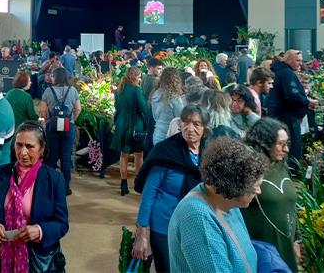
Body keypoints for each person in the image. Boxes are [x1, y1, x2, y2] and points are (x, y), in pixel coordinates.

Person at [0, 121, 69, 273]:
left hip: (36, 260)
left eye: (29, 146)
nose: (23, 152)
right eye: (19, 145)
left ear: (42, 149)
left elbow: (62, 223)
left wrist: (40, 231)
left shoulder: (54, 179)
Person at [168, 137, 268, 273]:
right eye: (255, 187)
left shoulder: (227, 203)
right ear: (234, 186)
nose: (258, 191)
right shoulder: (197, 216)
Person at [132, 105, 209, 272]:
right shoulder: (166, 152)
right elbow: (149, 193)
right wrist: (142, 234)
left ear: (205, 128)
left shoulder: (208, 154)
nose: (190, 128)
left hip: (195, 225)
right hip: (164, 224)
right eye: (186, 122)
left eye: (196, 124)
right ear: (179, 124)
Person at [243, 118, 301, 272]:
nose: (286, 149)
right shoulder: (249, 170)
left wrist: (296, 240)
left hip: (286, 244)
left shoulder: (281, 165)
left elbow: (291, 206)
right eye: (281, 144)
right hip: (262, 248)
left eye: (286, 143)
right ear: (265, 143)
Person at [268, 50, 317, 164]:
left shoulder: (280, 71)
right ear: (288, 60)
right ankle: (292, 171)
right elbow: (292, 95)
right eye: (297, 60)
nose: (300, 63)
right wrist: (307, 102)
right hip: (287, 117)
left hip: (280, 115)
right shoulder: (287, 74)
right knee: (292, 147)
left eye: (301, 60)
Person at [40, 67, 80, 195]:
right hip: (68, 127)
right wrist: (71, 119)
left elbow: (42, 111)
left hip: (52, 126)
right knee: (66, 157)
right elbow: (78, 108)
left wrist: (48, 120)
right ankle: (65, 186)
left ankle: (50, 185)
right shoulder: (72, 90)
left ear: (55, 77)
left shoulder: (47, 91)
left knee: (52, 156)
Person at [112, 67, 147, 196]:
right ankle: (138, 182)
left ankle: (123, 183)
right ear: (134, 77)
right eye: (139, 76)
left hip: (122, 124)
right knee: (139, 154)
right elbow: (144, 108)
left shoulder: (120, 89)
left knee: (124, 154)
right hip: (136, 125)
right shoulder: (137, 90)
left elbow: (117, 107)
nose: (140, 79)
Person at [150, 67, 185, 146]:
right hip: (171, 135)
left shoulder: (155, 94)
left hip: (157, 133)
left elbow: (155, 116)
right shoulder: (174, 97)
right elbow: (180, 117)